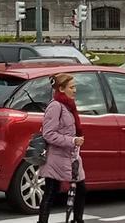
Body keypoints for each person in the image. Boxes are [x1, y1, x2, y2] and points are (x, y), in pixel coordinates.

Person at [37, 73, 86, 223]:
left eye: (75, 86)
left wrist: (75, 141)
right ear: (61, 89)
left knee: (80, 190)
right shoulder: (55, 106)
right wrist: (72, 140)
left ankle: (77, 220)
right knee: (51, 192)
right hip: (56, 158)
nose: (75, 90)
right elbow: (49, 134)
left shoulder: (69, 105)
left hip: (71, 156)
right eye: (72, 87)